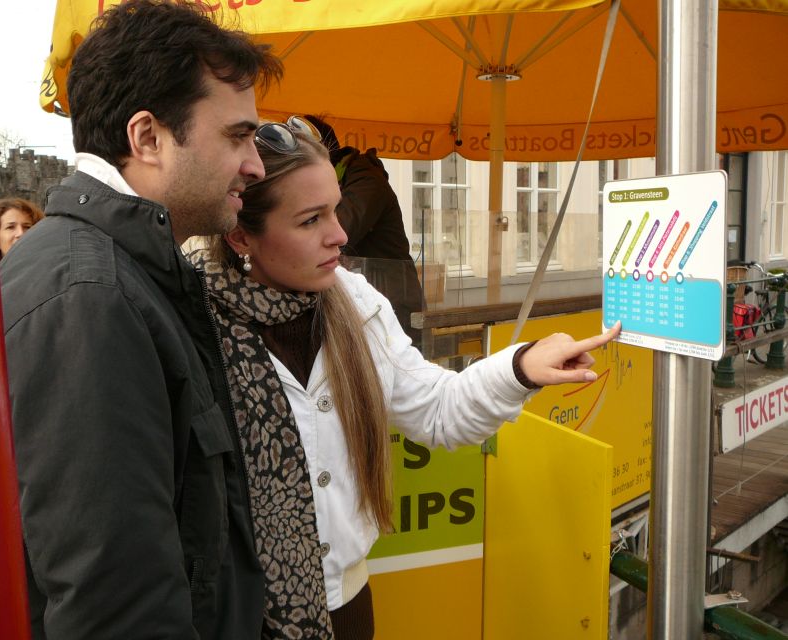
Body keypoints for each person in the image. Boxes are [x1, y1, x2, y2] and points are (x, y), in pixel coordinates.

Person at [185, 121, 622, 639]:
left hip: (345, 606)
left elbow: (437, 409)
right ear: (240, 236)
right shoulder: (190, 323)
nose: (340, 234)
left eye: (334, 207)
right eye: (310, 220)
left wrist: (519, 367)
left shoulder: (357, 304)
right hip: (227, 615)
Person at [0, 2, 282, 638]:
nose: (256, 165)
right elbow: (114, 607)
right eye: (237, 136)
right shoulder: (89, 297)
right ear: (147, 138)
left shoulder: (123, 273)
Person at [304, 114, 425, 343]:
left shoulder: (367, 178)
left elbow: (342, 228)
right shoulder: (343, 179)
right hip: (365, 298)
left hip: (391, 304)